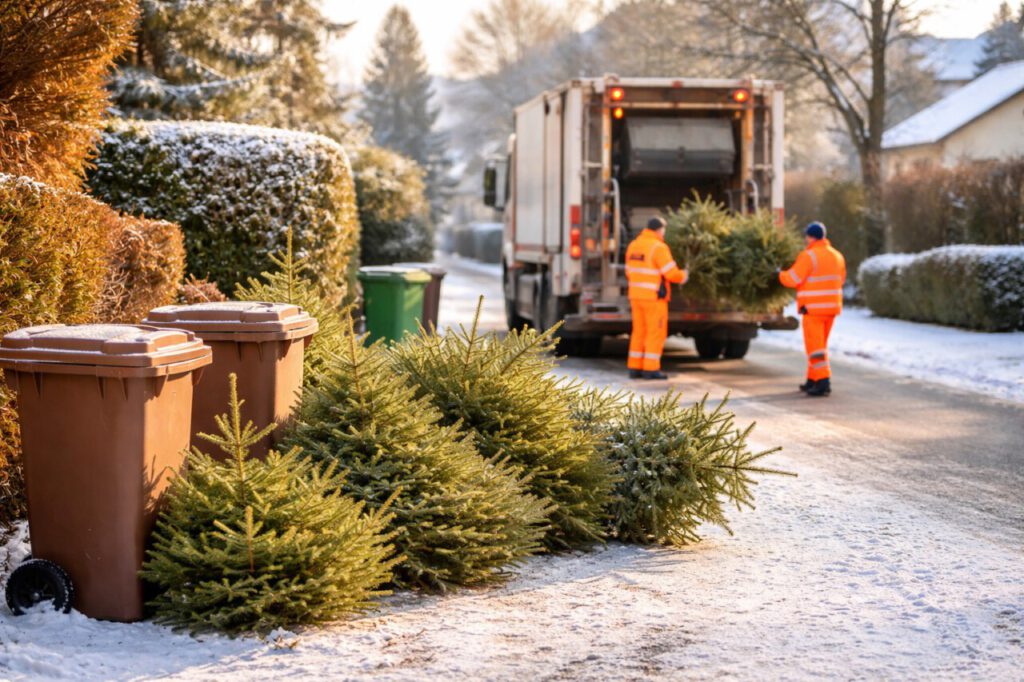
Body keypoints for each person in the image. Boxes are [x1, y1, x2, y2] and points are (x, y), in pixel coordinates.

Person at [778, 221, 846, 397]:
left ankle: (823, 382)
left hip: (813, 310)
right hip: (831, 309)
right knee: (819, 346)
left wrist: (779, 274)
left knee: (815, 348)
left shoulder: (809, 256)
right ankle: (812, 380)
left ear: (810, 237)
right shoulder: (837, 256)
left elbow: (793, 278)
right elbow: (841, 279)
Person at [625, 216, 688, 379]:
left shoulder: (633, 245)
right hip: (653, 298)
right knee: (655, 333)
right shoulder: (659, 247)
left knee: (639, 332)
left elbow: (629, 271)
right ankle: (650, 369)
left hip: (636, 296)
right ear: (659, 230)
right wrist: (684, 276)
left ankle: (635, 367)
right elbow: (671, 273)